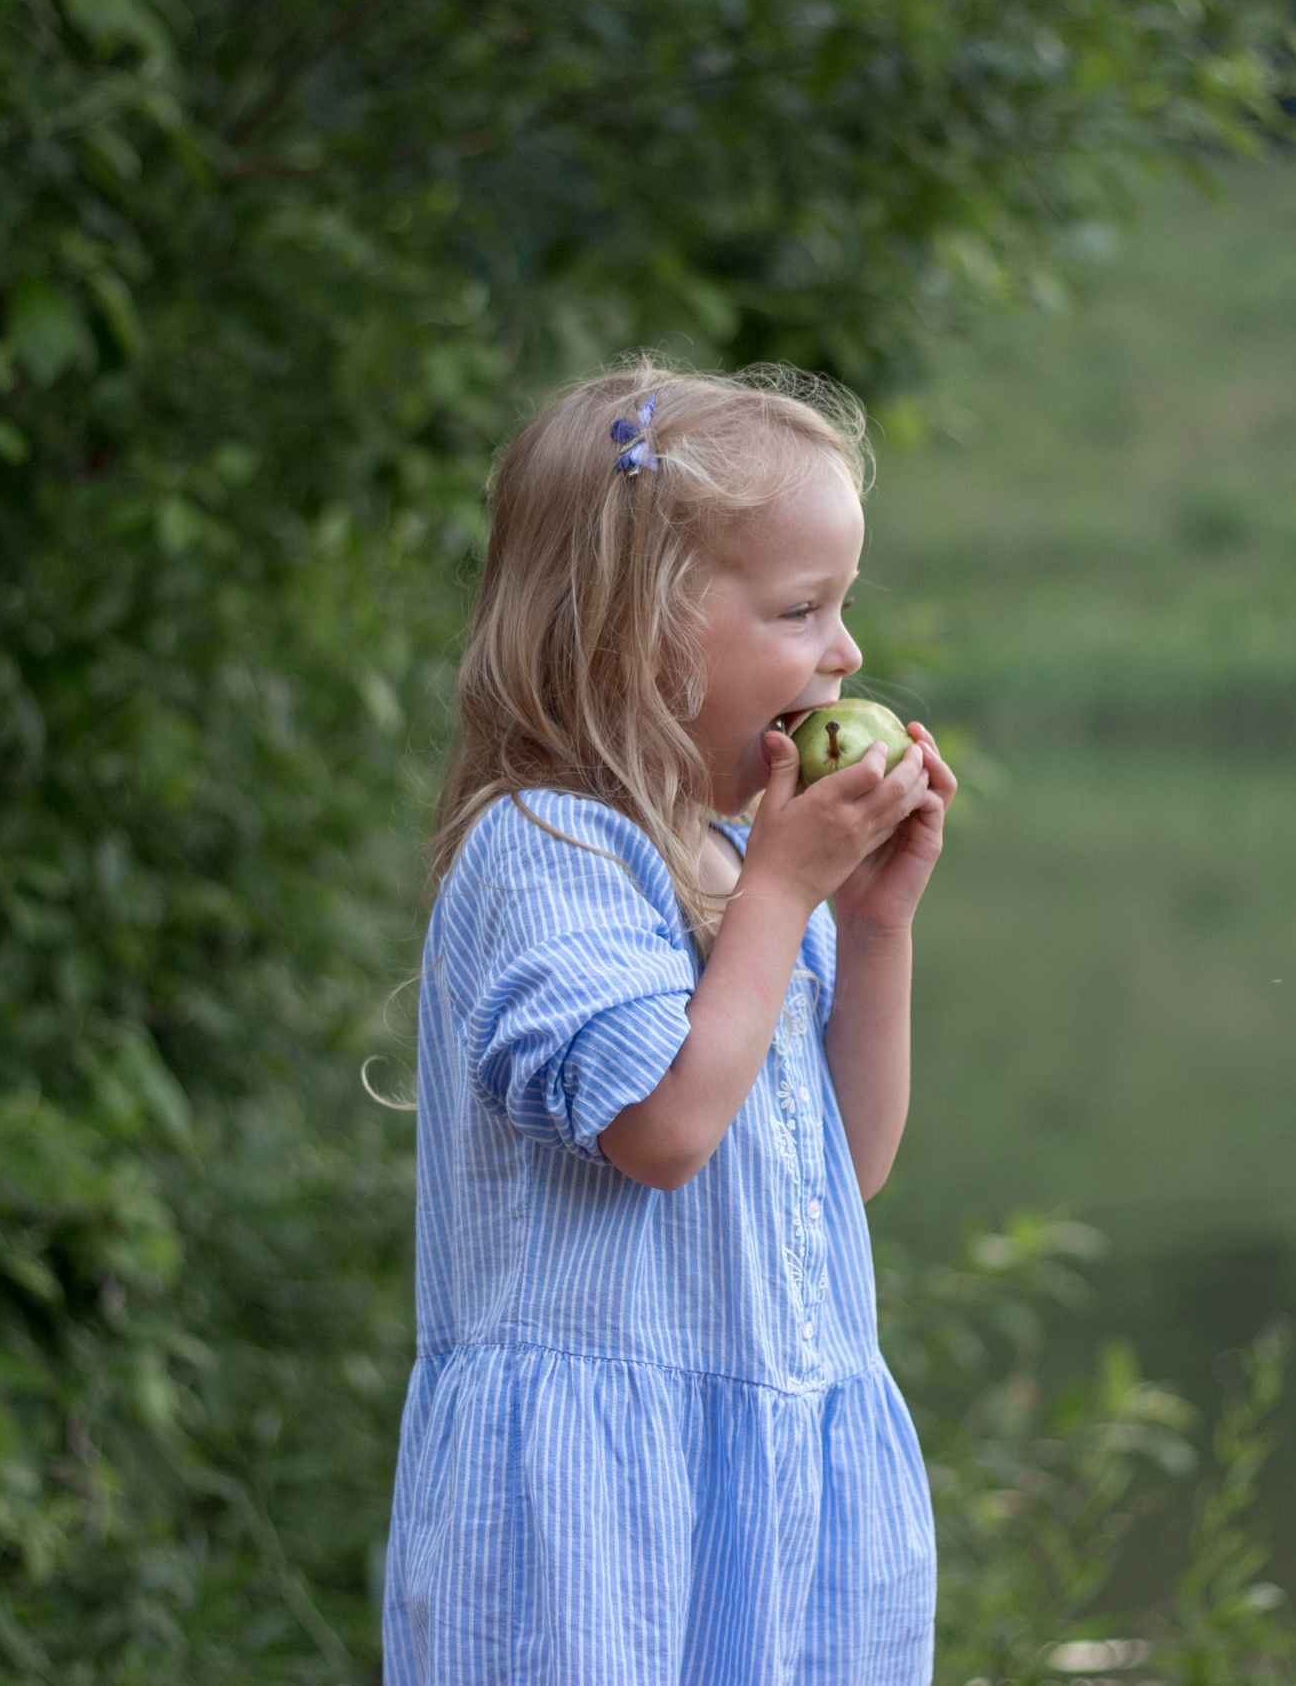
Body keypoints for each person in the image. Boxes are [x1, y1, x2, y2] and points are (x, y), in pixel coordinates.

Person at [382, 361, 959, 1683]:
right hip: (597, 1516)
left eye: (844, 607)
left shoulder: (748, 868)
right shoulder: (549, 848)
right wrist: (784, 896)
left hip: (772, 1480)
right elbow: (662, 1127)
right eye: (801, 609)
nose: (845, 655)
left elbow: (849, 1164)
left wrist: (872, 925)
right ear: (637, 630)